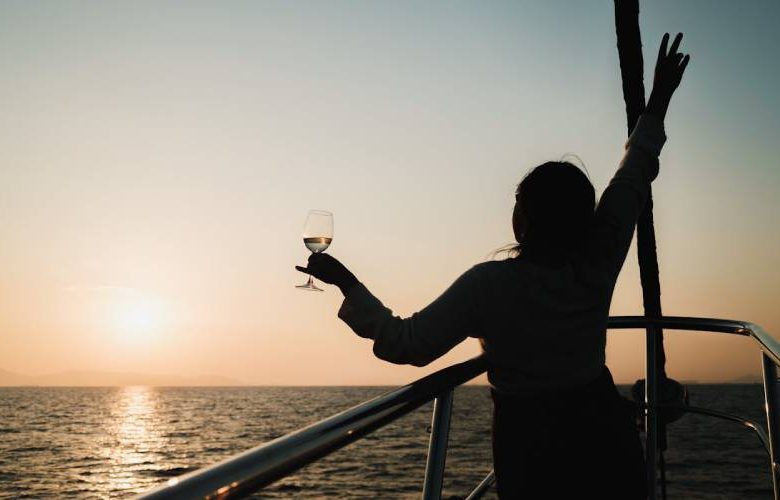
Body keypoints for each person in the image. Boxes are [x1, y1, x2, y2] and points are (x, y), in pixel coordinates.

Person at [296, 33, 689, 499]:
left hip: (532, 450)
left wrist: (346, 282)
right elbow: (633, 174)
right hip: (602, 436)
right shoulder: (598, 258)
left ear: (523, 222)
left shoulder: (489, 286)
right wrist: (659, 100)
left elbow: (408, 344)